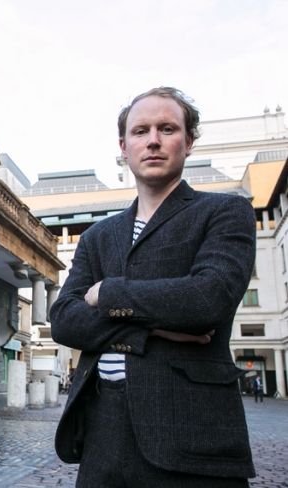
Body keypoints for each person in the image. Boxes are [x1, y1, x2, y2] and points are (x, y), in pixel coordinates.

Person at [50, 87, 256, 487]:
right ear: (124, 147)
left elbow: (207, 300)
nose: (154, 140)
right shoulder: (97, 237)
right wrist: (151, 329)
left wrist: (108, 294)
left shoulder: (225, 212)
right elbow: (64, 320)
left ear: (188, 141)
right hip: (102, 433)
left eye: (167, 128)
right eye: (141, 131)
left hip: (191, 432)